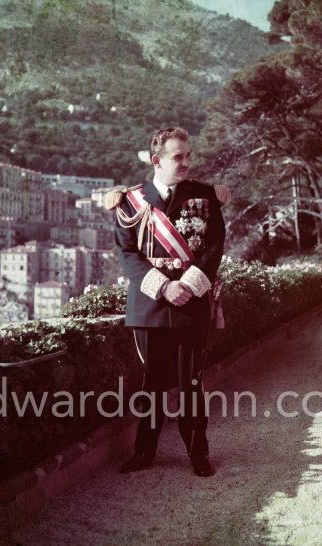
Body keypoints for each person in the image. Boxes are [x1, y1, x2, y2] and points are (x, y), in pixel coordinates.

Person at [104, 127, 230, 477]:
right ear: (156, 161)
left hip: (191, 301)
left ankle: (197, 454)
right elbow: (127, 254)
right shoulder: (130, 201)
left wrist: (187, 285)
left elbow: (216, 246)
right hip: (150, 304)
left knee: (191, 381)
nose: (187, 163)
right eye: (179, 157)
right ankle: (145, 452)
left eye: (188, 156)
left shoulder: (206, 198)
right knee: (151, 382)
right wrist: (163, 287)